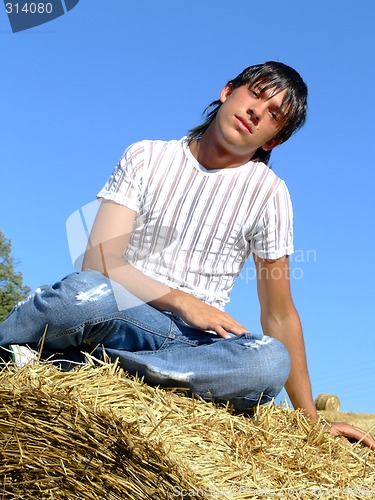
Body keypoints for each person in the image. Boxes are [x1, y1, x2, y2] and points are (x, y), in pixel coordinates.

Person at [1, 61, 374, 449]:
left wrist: (312, 425)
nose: (256, 111)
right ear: (228, 91)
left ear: (272, 141)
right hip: (122, 310)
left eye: (273, 115)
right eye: (255, 94)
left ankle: (79, 368)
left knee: (267, 362)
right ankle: (8, 351)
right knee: (80, 294)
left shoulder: (270, 194)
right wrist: (183, 302)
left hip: (197, 346)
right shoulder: (146, 156)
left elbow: (279, 312)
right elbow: (99, 258)